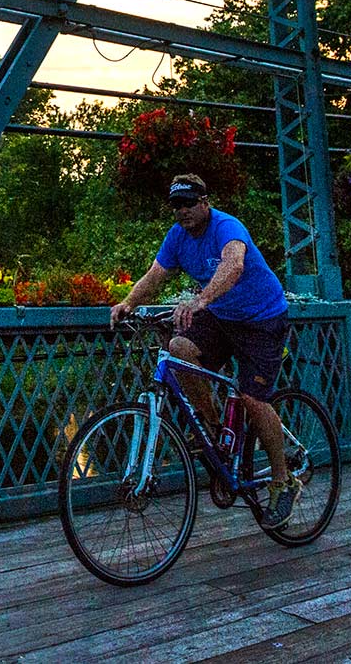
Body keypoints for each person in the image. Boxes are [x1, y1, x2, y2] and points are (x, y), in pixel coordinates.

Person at [110, 173, 300, 528]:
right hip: (223, 318)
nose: (182, 211)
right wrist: (128, 303)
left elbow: (234, 265)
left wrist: (201, 300)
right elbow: (155, 275)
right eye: (176, 205)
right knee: (179, 347)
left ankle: (283, 480)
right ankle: (214, 434)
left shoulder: (226, 227)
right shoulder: (177, 238)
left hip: (262, 319)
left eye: (188, 203)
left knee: (252, 398)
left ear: (204, 202)